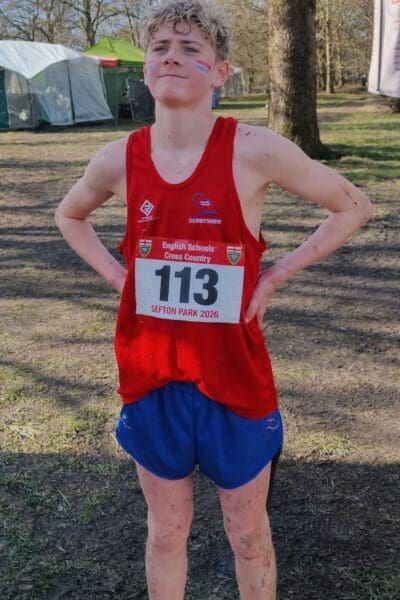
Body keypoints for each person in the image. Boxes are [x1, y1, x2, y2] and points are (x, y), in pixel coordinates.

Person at [55, 1, 373, 598]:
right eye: (160, 49)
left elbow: (353, 205)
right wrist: (122, 279)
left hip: (233, 376)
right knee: (166, 532)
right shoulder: (119, 158)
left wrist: (274, 276)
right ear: (146, 69)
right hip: (151, 376)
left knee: (247, 534)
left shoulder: (253, 148)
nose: (172, 57)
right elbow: (69, 216)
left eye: (190, 48)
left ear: (220, 72)